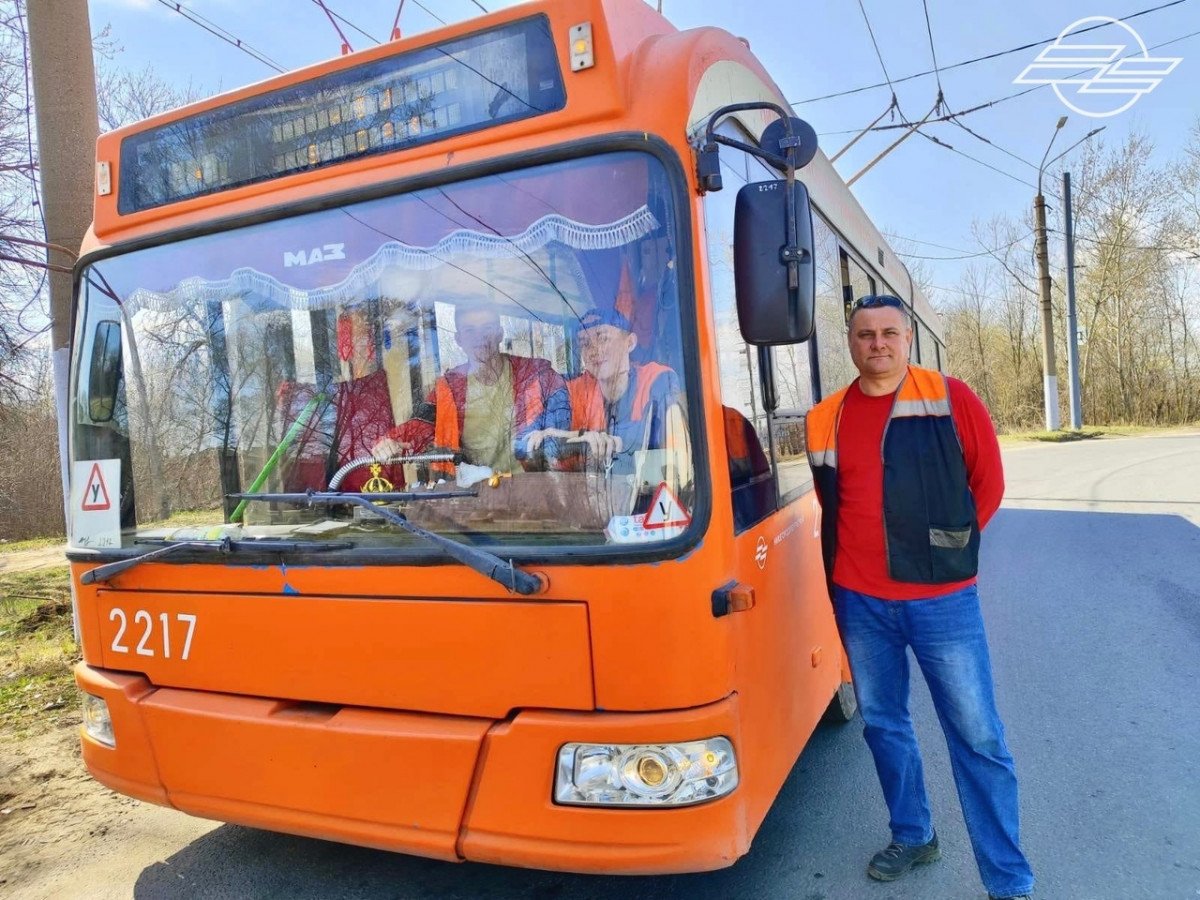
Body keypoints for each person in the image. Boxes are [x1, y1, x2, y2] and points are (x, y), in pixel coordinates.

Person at [805, 294, 1034, 900]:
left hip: (942, 601)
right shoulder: (824, 417)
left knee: (978, 736)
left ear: (907, 339)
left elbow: (987, 484)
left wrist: (947, 555)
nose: (877, 343)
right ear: (850, 342)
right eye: (864, 334)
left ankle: (1008, 880)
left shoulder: (951, 398)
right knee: (883, 724)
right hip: (860, 601)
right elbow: (833, 502)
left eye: (888, 332)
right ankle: (914, 834)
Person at [372, 305, 569, 475]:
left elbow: (568, 420)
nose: (479, 336)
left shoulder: (536, 375)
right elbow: (419, 425)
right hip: (476, 495)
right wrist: (391, 441)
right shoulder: (450, 387)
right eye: (469, 330)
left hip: (534, 490)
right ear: (459, 339)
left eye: (487, 327)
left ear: (500, 334)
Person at [524, 307, 683, 475]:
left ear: (629, 343)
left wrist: (580, 437)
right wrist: (568, 439)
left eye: (603, 338)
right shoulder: (573, 392)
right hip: (591, 489)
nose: (593, 350)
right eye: (584, 343)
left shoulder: (657, 380)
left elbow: (656, 433)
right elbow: (533, 443)